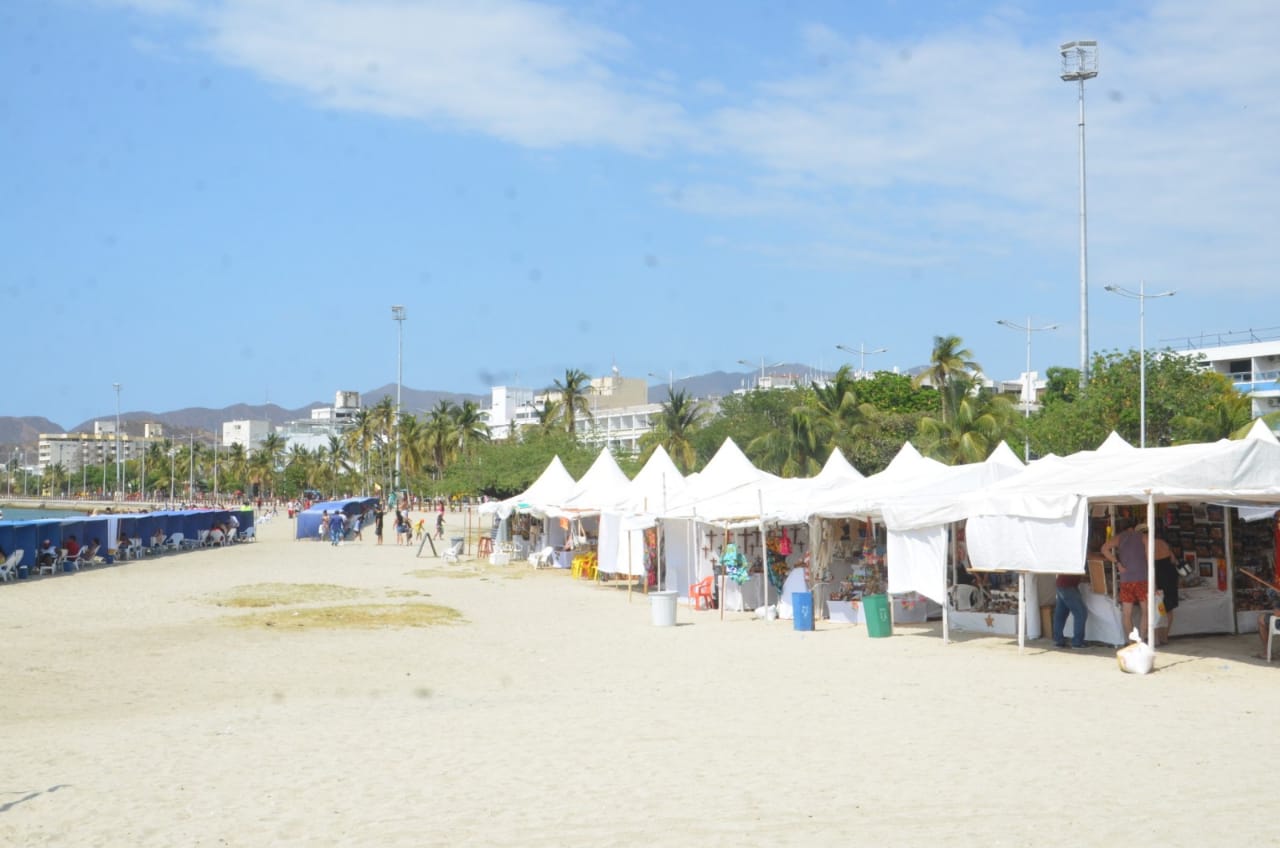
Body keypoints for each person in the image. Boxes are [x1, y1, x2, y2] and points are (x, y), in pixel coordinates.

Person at [1101, 520, 1150, 642]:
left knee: (1127, 614)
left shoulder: (1119, 538)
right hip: (1142, 578)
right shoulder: (1144, 537)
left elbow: (1104, 549)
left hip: (1126, 580)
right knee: (1146, 611)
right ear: (1134, 528)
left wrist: (1117, 562)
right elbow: (1150, 559)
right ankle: (1142, 640)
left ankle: (1131, 642)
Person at [1146, 527, 1178, 646]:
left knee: (1156, 607)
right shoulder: (1164, 544)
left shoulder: (1148, 545)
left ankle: (1156, 638)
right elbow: (1173, 560)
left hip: (1157, 575)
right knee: (1168, 608)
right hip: (1169, 575)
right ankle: (1165, 636)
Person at [1052, 571, 1088, 648]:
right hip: (1068, 586)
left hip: (1061, 584)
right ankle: (1077, 642)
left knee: (1060, 615)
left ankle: (1058, 641)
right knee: (1081, 614)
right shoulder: (1081, 559)